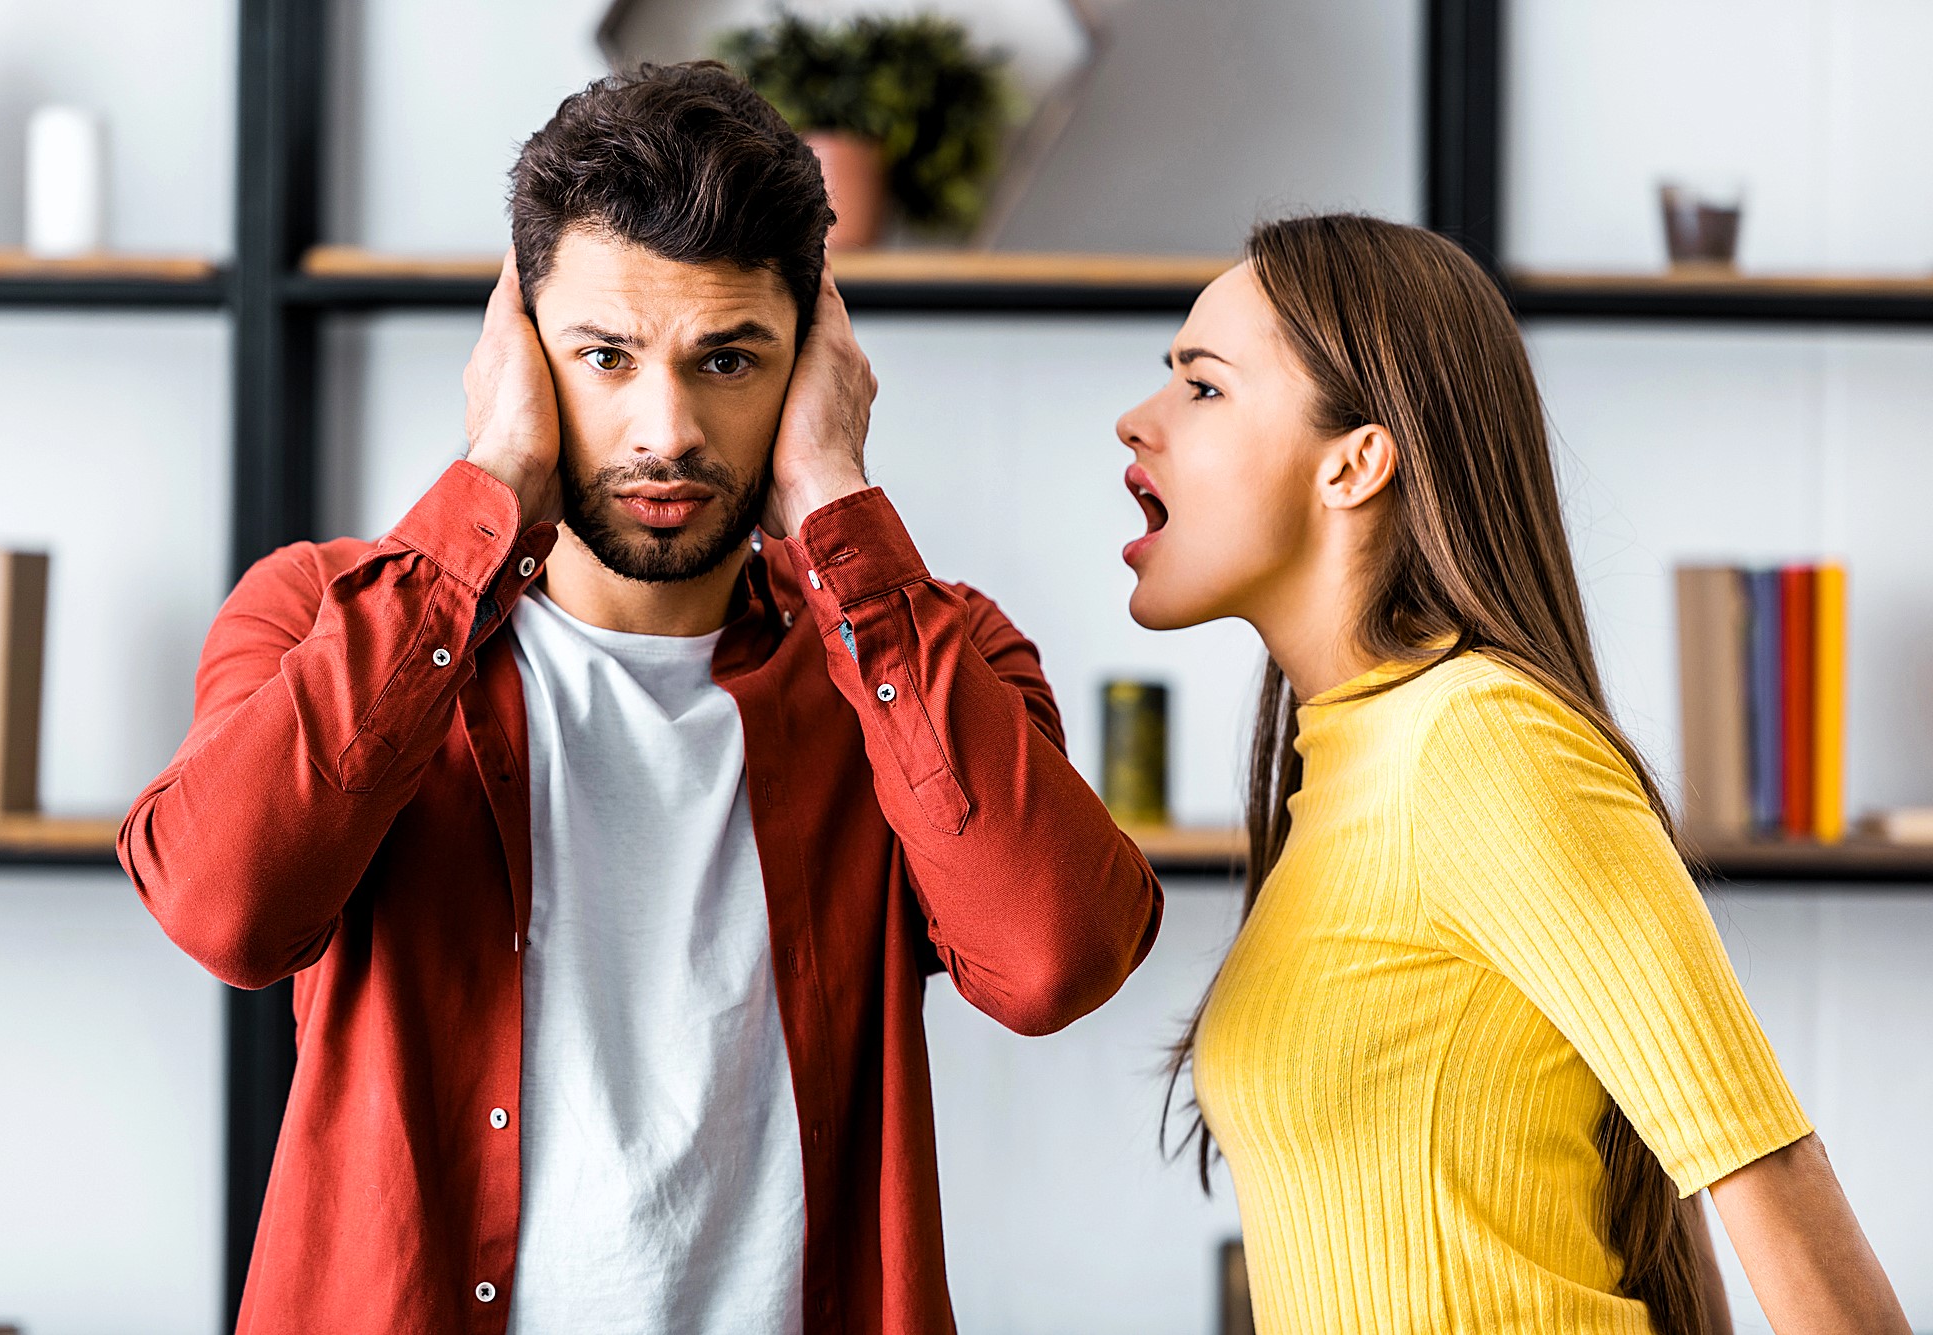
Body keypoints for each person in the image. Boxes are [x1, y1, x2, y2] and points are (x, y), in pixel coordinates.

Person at [119, 63, 1161, 1335]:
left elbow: (1053, 960)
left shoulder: (915, 658)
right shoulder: (320, 619)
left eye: (728, 359)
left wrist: (835, 502)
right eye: (603, 356)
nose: (664, 428)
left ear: (812, 366)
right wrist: (487, 487)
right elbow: (228, 910)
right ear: (516, 349)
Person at [1121, 214, 1905, 1334]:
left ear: (1354, 461)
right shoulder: (1350, 758)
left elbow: (1762, 1174)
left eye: (1201, 389)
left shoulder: (1480, 740)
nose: (1135, 421)